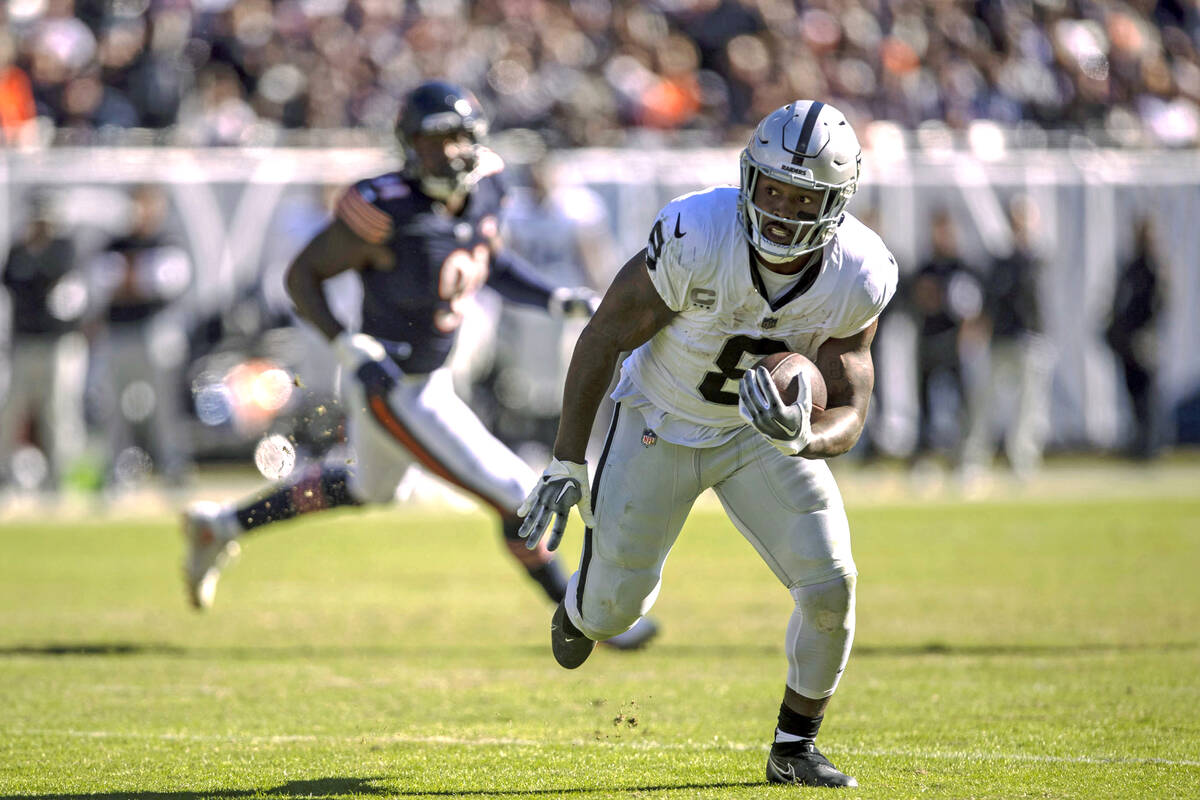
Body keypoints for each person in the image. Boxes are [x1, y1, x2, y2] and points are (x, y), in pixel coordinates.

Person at [181, 80, 658, 652]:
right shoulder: (386, 209)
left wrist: (552, 297)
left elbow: (485, 256)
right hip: (393, 384)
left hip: (428, 380)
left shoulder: (485, 189)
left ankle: (221, 527)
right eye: (437, 140)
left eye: (460, 137)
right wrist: (344, 343)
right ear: (410, 145)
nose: (452, 151)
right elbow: (302, 276)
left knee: (365, 489)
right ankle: (585, 616)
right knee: (517, 493)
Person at [519, 100, 897, 787]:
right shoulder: (699, 231)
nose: (781, 208)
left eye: (802, 195)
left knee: (831, 584)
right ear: (748, 178)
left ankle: (794, 745)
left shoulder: (858, 271)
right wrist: (569, 458)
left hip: (759, 438)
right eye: (772, 188)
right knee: (612, 613)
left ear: (834, 201)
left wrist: (804, 434)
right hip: (658, 419)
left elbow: (850, 408)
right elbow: (605, 334)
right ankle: (579, 605)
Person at [91, 184, 194, 489]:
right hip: (118, 332)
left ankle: (174, 466)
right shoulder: (113, 243)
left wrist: (131, 280)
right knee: (113, 404)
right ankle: (118, 470)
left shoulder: (166, 242)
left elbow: (163, 283)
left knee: (164, 404)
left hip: (154, 330)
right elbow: (103, 284)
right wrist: (132, 281)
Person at [0, 193, 91, 494]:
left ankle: (58, 477)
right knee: (12, 409)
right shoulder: (18, 251)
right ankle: (4, 473)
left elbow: (51, 281)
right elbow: (14, 284)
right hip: (24, 342)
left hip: (56, 344)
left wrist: (35, 270)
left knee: (57, 410)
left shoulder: (63, 250)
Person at [961, 195, 1053, 480]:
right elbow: (990, 301)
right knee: (984, 402)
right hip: (1001, 339)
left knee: (1029, 406)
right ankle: (974, 459)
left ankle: (1023, 460)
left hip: (1029, 340)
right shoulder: (1001, 262)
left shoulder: (1037, 260)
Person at [907, 209, 982, 463]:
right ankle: (924, 456)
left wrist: (971, 335)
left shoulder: (962, 267)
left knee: (963, 402)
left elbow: (976, 307)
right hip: (929, 342)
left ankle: (965, 457)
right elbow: (913, 302)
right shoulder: (925, 268)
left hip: (955, 344)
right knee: (926, 403)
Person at [1105, 217, 1164, 459]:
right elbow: (1119, 304)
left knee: (1146, 395)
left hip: (1143, 339)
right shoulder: (1131, 266)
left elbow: (1158, 305)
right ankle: (1139, 443)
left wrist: (1146, 332)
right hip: (1126, 341)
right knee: (1133, 392)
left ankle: (1150, 446)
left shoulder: (1154, 268)